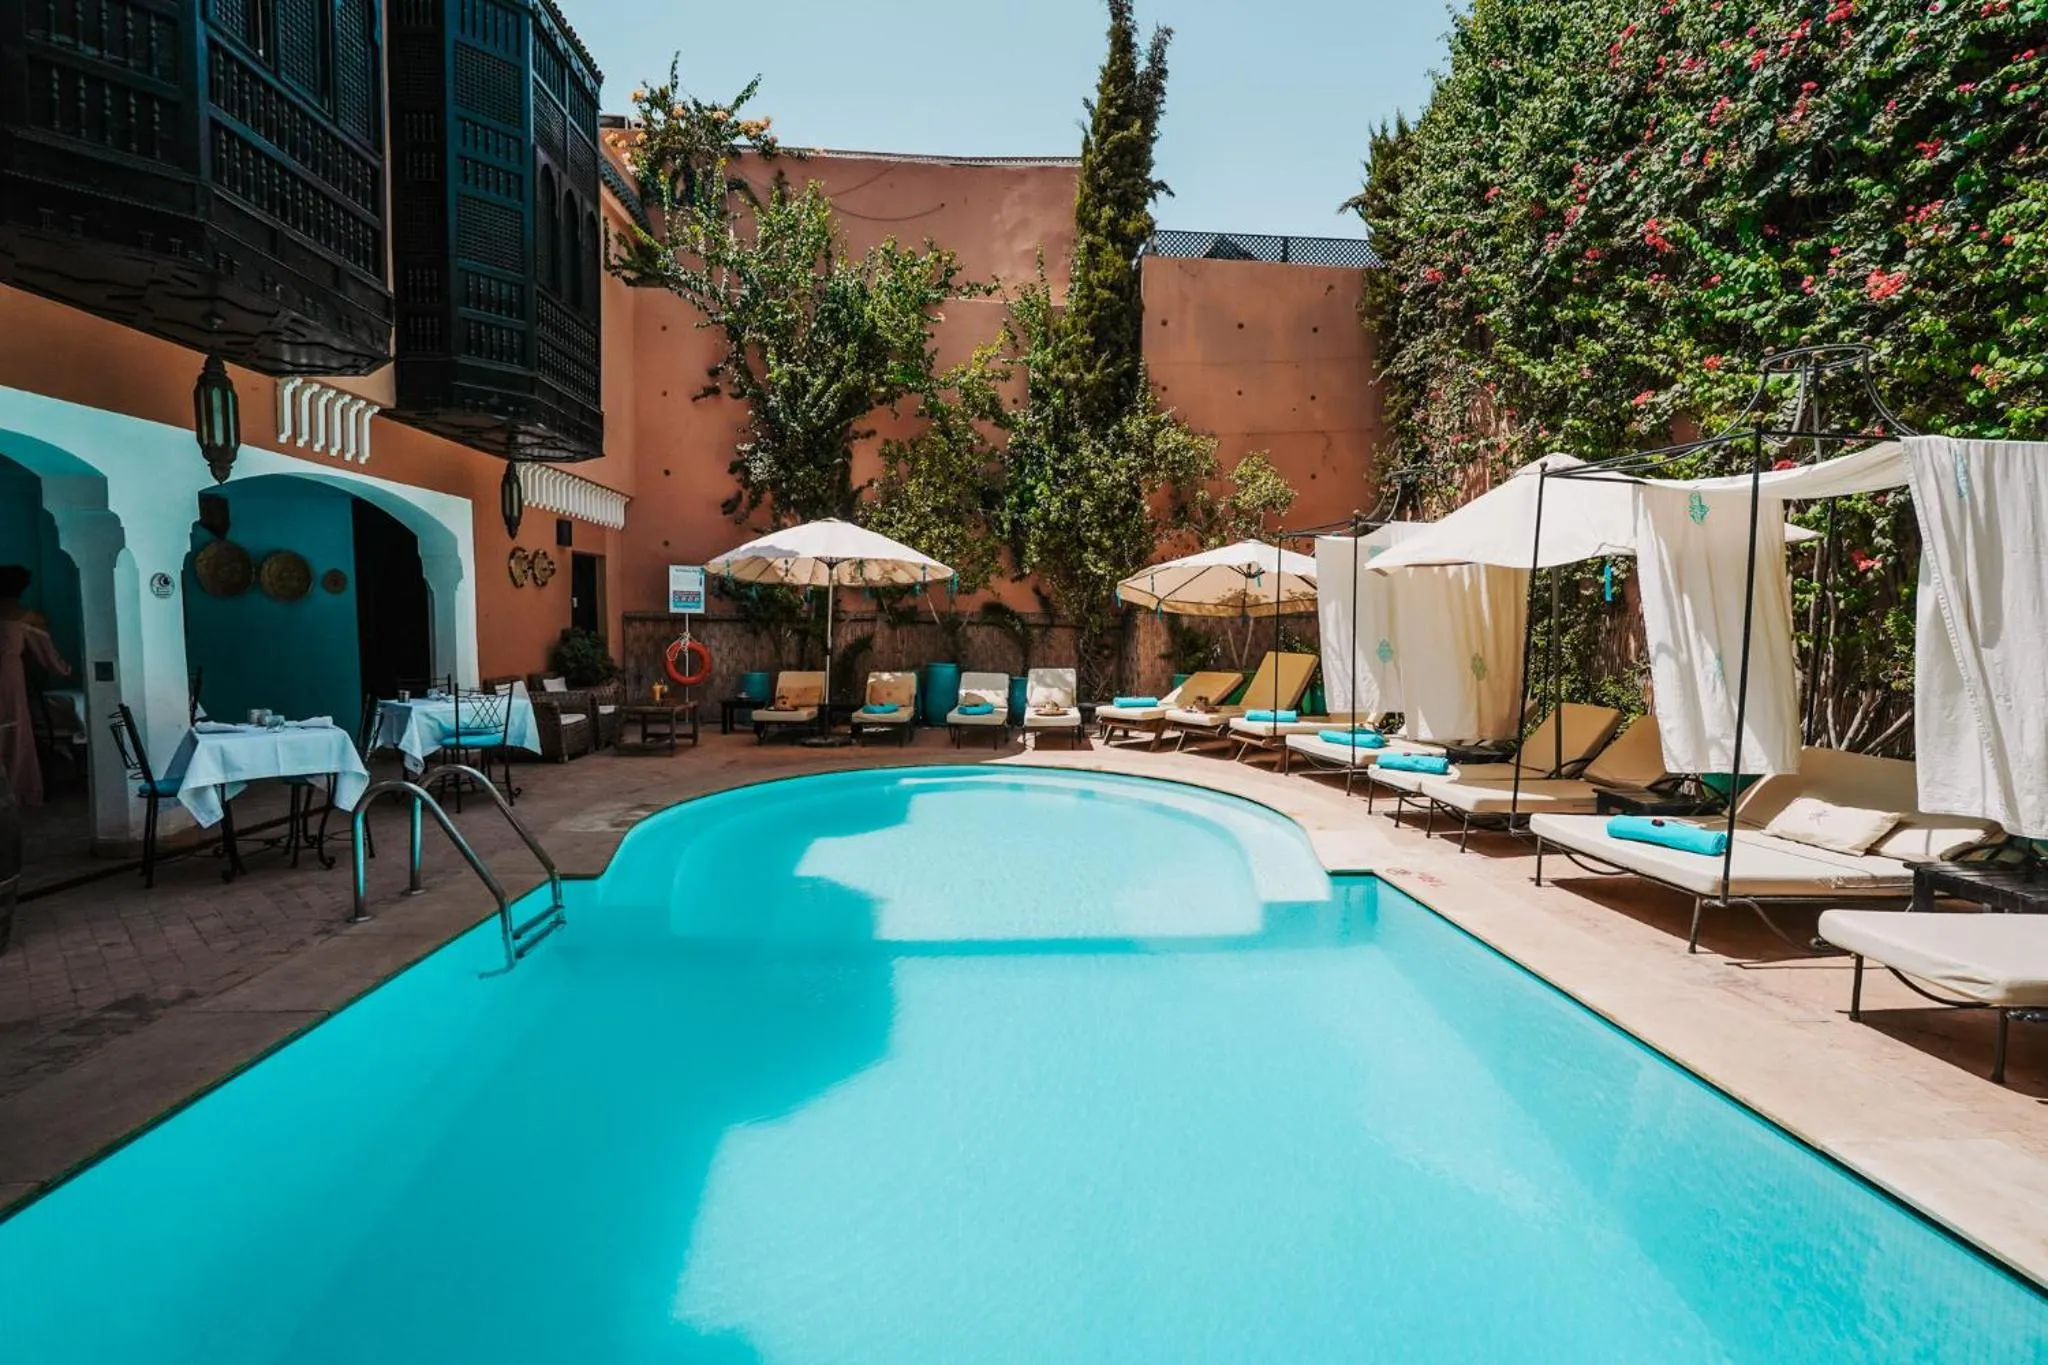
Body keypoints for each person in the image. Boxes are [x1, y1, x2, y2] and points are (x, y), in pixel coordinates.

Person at [0, 564, 71, 807]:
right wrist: (67, 671)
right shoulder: (26, 617)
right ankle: (17, 792)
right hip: (8, 679)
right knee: (14, 732)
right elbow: (49, 657)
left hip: (11, 676)